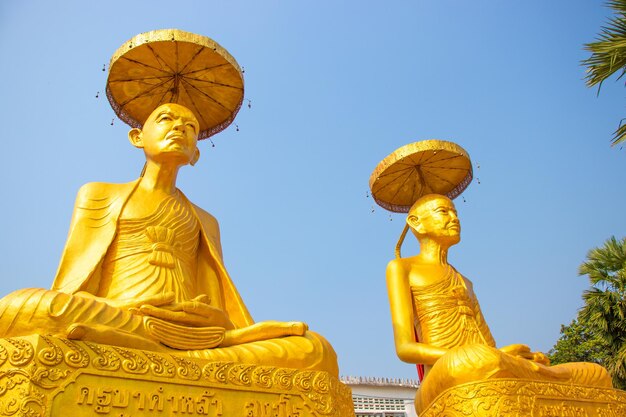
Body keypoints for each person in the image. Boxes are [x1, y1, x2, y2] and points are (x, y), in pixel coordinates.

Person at [0, 103, 337, 376]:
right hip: (125, 317)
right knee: (19, 308)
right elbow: (72, 285)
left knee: (314, 348)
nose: (179, 128)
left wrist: (219, 323)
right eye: (166, 119)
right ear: (137, 137)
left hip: (196, 336)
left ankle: (182, 359)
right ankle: (175, 357)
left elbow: (217, 303)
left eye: (190, 127)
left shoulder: (206, 221)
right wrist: (122, 310)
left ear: (195, 154)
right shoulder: (99, 195)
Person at [386, 194, 612, 412]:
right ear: (416, 222)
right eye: (443, 211)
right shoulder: (402, 269)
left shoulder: (465, 281)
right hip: (447, 371)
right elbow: (405, 349)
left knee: (595, 374)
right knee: (473, 362)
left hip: (486, 363)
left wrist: (508, 356)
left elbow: (489, 348)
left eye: (455, 212)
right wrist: (488, 356)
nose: (454, 218)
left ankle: (541, 372)